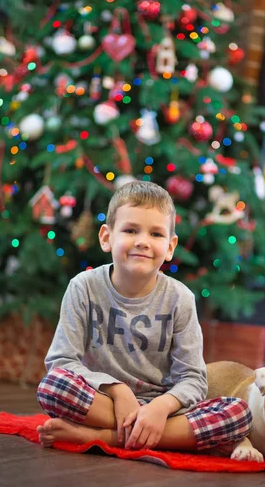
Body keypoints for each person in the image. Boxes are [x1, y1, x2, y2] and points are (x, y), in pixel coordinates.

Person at [36, 180, 252, 453]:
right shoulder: (84, 287)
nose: (143, 242)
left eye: (156, 234)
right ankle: (150, 436)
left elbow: (193, 379)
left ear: (170, 246)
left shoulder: (180, 298)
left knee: (238, 414)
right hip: (102, 400)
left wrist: (160, 408)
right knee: (52, 386)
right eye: (130, 230)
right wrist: (118, 390)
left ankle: (103, 436)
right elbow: (61, 361)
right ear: (106, 237)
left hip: (162, 411)